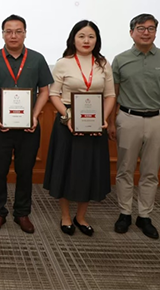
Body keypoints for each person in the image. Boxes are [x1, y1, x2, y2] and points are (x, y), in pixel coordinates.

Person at [108, 13, 160, 240]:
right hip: (127, 119)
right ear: (131, 32)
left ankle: (144, 216)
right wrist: (110, 122)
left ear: (156, 33)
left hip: (158, 120)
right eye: (141, 28)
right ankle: (124, 213)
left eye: (151, 28)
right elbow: (114, 94)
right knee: (125, 170)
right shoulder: (120, 60)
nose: (146, 32)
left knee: (150, 171)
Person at [0, 15, 52, 234]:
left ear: (25, 33)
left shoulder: (37, 59)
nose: (13, 35)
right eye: (9, 31)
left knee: (25, 171)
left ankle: (22, 213)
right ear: (3, 34)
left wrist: (35, 115)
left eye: (18, 31)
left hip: (28, 127)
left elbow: (45, 91)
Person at [43, 20, 116, 236]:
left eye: (91, 36)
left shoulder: (103, 63)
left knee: (89, 170)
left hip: (94, 122)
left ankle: (81, 216)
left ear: (97, 40)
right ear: (73, 39)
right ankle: (66, 216)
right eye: (81, 36)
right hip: (68, 121)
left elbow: (110, 95)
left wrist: (103, 118)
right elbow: (54, 94)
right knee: (66, 168)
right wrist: (68, 117)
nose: (86, 40)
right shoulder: (63, 63)